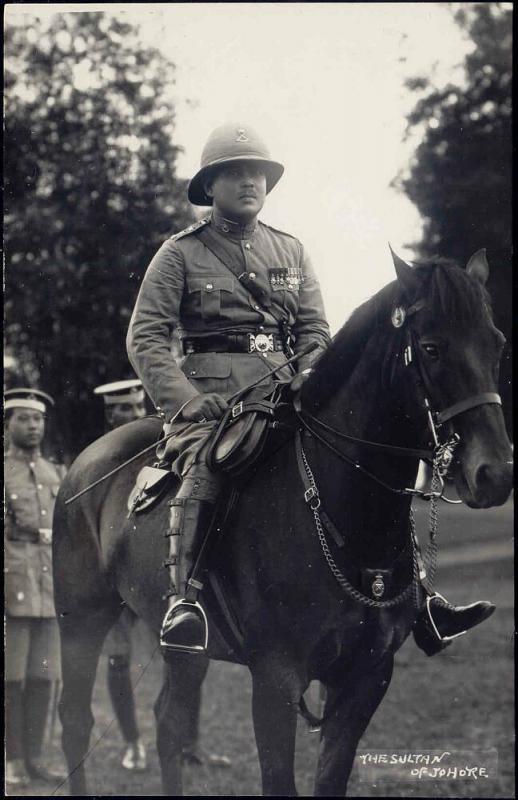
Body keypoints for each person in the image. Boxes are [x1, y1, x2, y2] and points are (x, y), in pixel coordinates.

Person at [126, 122, 494, 658]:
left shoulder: (290, 252)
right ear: (210, 186)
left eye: (257, 172)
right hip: (212, 403)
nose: (249, 181)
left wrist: (311, 375)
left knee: (363, 469)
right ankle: (187, 601)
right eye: (234, 172)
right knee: (209, 465)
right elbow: (146, 337)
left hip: (286, 393)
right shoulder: (179, 254)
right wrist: (184, 397)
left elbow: (315, 331)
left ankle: (421, 597)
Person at [4, 388, 67, 787]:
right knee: (12, 679)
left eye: (38, 419)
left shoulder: (55, 473)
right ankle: (12, 760)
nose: (33, 426)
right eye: (24, 418)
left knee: (45, 678)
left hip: (49, 589)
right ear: (7, 424)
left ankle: (36, 759)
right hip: (12, 587)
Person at [93, 379, 148, 771]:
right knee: (117, 658)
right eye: (124, 410)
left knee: (187, 652)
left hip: (156, 571)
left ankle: (188, 742)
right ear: (110, 415)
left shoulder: (165, 453)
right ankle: (132, 742)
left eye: (138, 408)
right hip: (109, 578)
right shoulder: (95, 463)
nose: (134, 416)